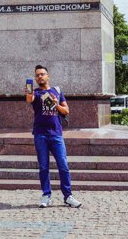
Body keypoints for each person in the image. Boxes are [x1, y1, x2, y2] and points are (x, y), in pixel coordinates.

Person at [24, 64, 82, 208]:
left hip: (56, 134)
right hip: (40, 134)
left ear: (48, 76)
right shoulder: (36, 93)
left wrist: (56, 104)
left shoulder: (57, 91)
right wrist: (28, 92)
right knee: (43, 167)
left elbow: (66, 111)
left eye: (42, 74)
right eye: (37, 75)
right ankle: (46, 195)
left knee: (63, 166)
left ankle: (68, 196)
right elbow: (29, 100)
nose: (39, 76)